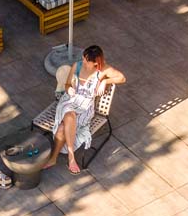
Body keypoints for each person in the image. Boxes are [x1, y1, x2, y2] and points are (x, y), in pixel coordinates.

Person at [44, 45, 126, 174]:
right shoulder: (77, 66)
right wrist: (69, 89)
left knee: (62, 128)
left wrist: (105, 81)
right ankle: (71, 158)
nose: (83, 62)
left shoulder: (103, 70)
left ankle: (53, 158)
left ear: (96, 63)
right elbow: (67, 85)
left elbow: (122, 78)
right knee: (69, 114)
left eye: (87, 61)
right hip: (69, 100)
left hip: (85, 106)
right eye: (83, 58)